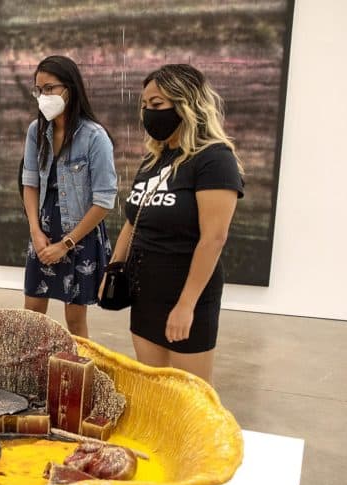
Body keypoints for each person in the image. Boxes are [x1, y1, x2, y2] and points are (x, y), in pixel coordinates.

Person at [100, 64, 244, 383]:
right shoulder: (154, 159)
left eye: (157, 105)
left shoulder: (214, 159)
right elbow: (132, 220)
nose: (148, 113)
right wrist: (113, 269)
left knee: (189, 398)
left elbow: (214, 239)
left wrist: (186, 305)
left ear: (186, 104)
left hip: (186, 292)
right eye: (144, 106)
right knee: (157, 390)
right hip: (145, 292)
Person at [21, 55, 117, 339]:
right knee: (31, 317)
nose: (43, 97)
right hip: (44, 230)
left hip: (79, 235)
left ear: (70, 88)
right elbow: (29, 184)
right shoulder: (36, 131)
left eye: (49, 88)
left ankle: (79, 377)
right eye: (38, 90)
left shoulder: (94, 137)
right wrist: (36, 231)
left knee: (75, 323)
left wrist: (66, 244)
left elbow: (104, 201)